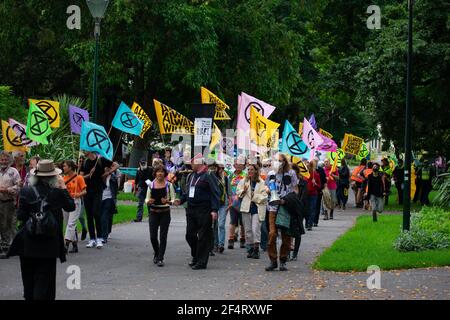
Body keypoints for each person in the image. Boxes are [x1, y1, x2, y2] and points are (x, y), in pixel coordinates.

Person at [7, 160, 75, 300]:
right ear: (54, 177)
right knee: (45, 283)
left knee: (29, 281)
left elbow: (21, 216)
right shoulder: (58, 192)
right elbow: (71, 207)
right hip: (49, 244)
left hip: (28, 243)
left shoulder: (26, 191)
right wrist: (63, 187)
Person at [180, 155, 220, 270]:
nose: (190, 165)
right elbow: (188, 190)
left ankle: (201, 261)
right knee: (190, 235)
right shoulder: (191, 175)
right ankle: (196, 255)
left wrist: (214, 210)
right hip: (191, 209)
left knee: (203, 236)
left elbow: (215, 192)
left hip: (204, 209)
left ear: (198, 163)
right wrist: (181, 200)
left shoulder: (208, 175)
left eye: (192, 163)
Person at [265, 153, 298, 271]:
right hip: (273, 207)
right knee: (272, 234)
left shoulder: (291, 173)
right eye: (276, 160)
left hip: (286, 207)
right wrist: (269, 191)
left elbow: (295, 189)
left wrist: (289, 200)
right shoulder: (270, 174)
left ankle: (283, 260)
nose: (278, 163)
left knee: (286, 235)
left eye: (280, 161)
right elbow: (266, 186)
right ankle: (273, 260)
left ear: (285, 162)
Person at [80, 152, 119, 249]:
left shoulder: (101, 160)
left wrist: (108, 172)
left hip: (98, 190)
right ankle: (92, 238)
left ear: (90, 150)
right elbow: (80, 177)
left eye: (85, 149)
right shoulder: (85, 162)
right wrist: (89, 174)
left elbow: (116, 165)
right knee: (89, 215)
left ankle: (100, 237)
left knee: (96, 213)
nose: (83, 150)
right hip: (87, 191)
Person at [146, 166, 176, 267]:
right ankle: (156, 252)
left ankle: (160, 258)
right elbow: (147, 199)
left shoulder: (169, 185)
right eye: (158, 172)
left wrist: (167, 201)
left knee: (163, 237)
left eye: (162, 172)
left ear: (165, 173)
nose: (160, 173)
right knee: (153, 236)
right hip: (153, 212)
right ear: (155, 173)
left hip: (165, 212)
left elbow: (173, 200)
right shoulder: (151, 185)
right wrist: (149, 201)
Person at [236, 164, 268, 259]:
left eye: (251, 169)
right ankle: (249, 248)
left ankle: (256, 249)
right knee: (248, 230)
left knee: (255, 229)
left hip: (256, 208)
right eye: (248, 169)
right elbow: (238, 192)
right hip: (246, 208)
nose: (249, 171)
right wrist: (244, 191)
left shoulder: (261, 182)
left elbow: (265, 197)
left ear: (256, 171)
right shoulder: (244, 181)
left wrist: (254, 197)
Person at [62, 160, 87, 254]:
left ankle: (65, 244)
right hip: (66, 203)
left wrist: (78, 194)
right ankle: (75, 244)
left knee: (71, 224)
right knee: (68, 223)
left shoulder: (79, 178)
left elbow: (85, 191)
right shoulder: (63, 179)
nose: (63, 168)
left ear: (70, 167)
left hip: (75, 202)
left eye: (64, 166)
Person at [0, 151, 21, 257]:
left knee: (8, 225)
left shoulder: (13, 172)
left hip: (8, 202)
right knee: (1, 225)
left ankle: (8, 248)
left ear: (9, 161)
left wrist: (7, 190)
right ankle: (3, 246)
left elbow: (18, 187)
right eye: (2, 159)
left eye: (5, 159)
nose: (3, 161)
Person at [289, 163, 308, 261]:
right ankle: (287, 251)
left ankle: (295, 253)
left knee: (297, 232)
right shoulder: (287, 181)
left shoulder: (303, 183)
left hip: (299, 210)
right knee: (287, 231)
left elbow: (303, 197)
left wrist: (297, 207)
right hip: (288, 209)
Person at [228, 157, 247, 249]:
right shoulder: (230, 176)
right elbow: (228, 188)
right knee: (233, 221)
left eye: (240, 164)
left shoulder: (246, 175)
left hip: (243, 201)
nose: (238, 165)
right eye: (237, 164)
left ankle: (243, 239)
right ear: (234, 165)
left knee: (243, 222)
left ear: (243, 166)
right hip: (233, 202)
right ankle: (230, 240)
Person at [213, 161, 230, 254]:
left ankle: (221, 244)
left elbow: (229, 192)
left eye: (223, 168)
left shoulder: (225, 178)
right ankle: (215, 244)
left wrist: (230, 202)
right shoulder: (212, 178)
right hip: (214, 204)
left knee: (221, 224)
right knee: (214, 225)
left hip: (223, 204)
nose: (221, 170)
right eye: (219, 168)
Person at [100, 169, 119, 243]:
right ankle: (101, 234)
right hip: (99, 199)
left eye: (108, 168)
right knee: (100, 217)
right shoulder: (99, 177)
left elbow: (115, 189)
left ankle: (104, 236)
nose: (106, 170)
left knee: (104, 217)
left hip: (109, 198)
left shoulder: (113, 177)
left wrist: (115, 199)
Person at [306, 161, 321, 231]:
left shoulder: (316, 175)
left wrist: (315, 183)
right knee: (307, 209)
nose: (308, 168)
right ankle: (307, 222)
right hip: (306, 194)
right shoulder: (305, 175)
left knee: (312, 209)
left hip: (313, 194)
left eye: (309, 166)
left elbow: (319, 186)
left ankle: (310, 224)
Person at [77, 155, 88, 241]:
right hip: (73, 194)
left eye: (82, 159)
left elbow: (81, 178)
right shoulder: (74, 169)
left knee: (80, 215)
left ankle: (84, 228)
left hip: (81, 193)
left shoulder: (85, 168)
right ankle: (73, 235)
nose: (80, 161)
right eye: (79, 159)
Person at [314, 160, 327, 226]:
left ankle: (315, 221)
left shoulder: (321, 169)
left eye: (316, 161)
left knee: (317, 206)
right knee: (311, 207)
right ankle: (310, 221)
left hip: (319, 190)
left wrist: (324, 185)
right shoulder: (308, 169)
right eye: (314, 161)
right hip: (311, 191)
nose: (315, 163)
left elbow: (324, 180)